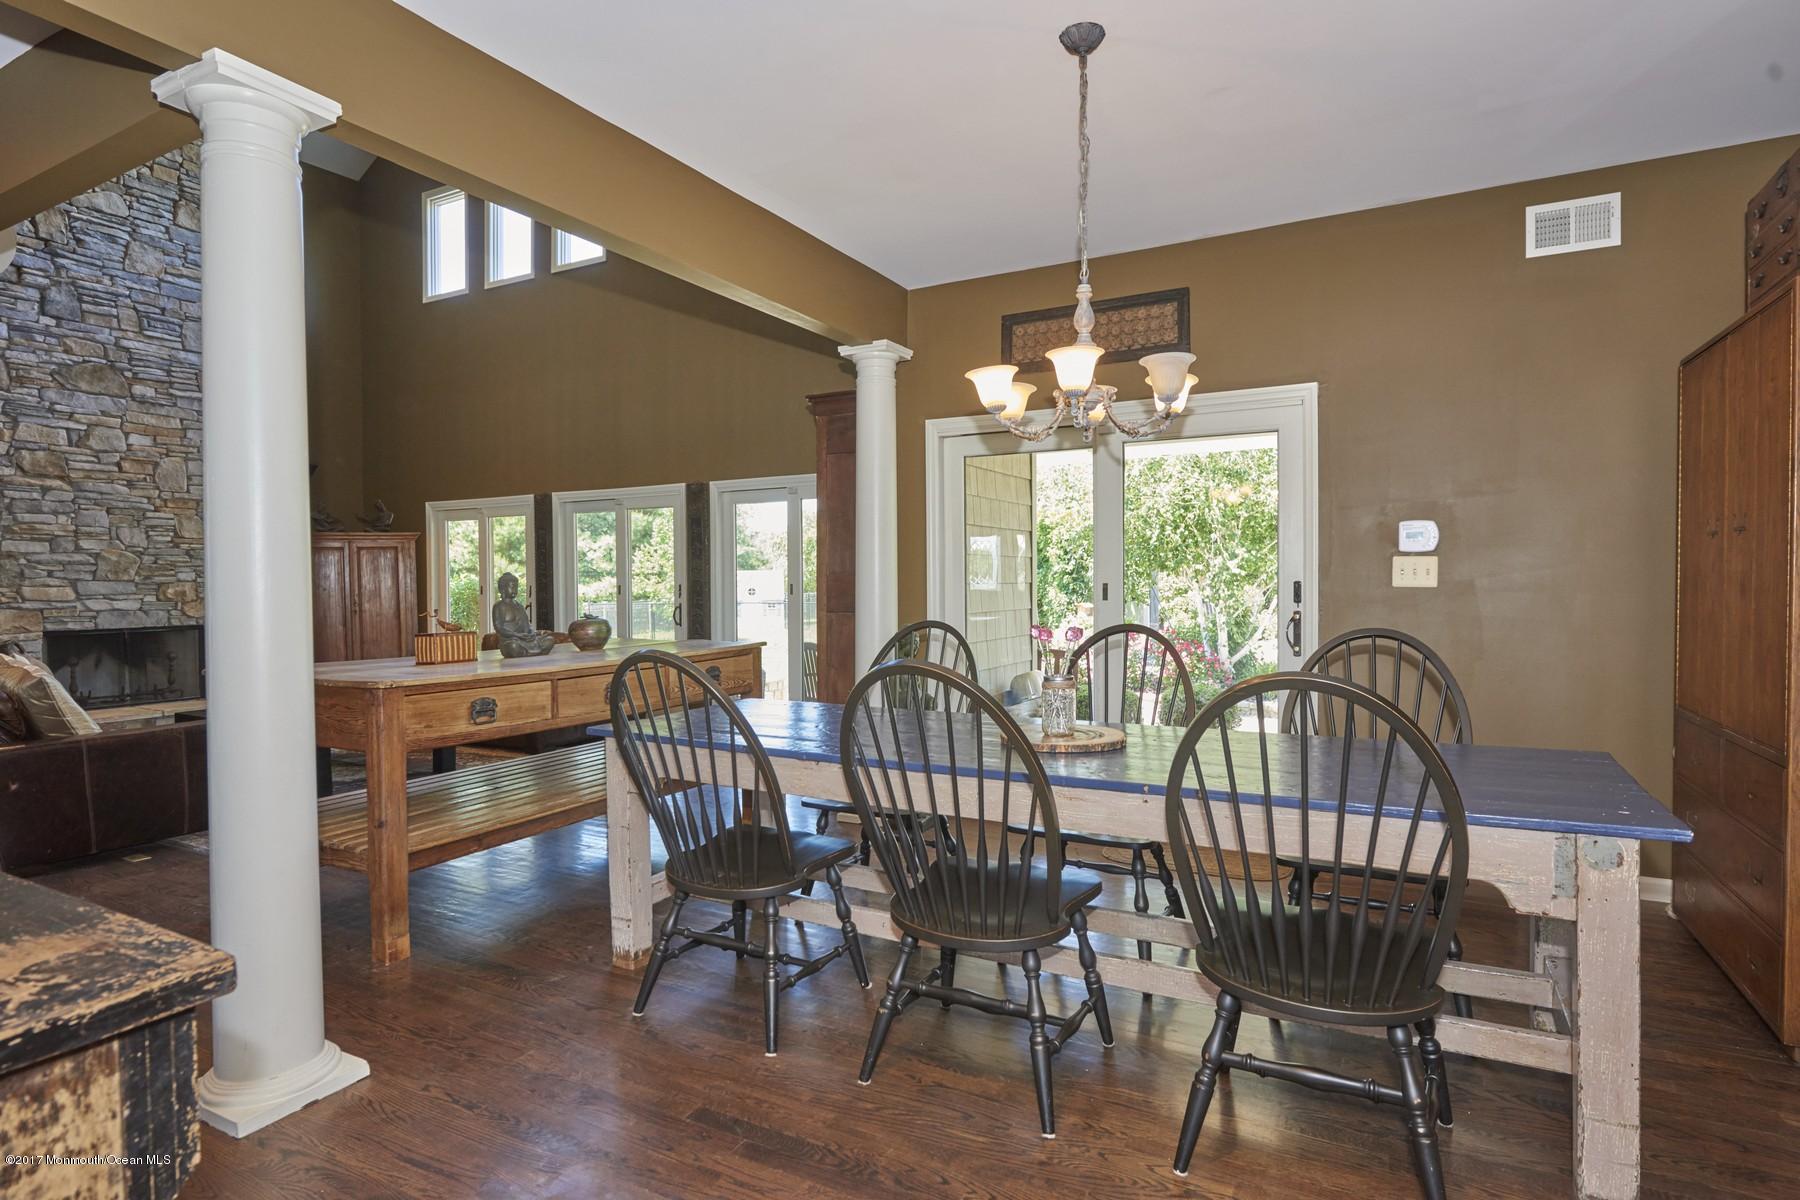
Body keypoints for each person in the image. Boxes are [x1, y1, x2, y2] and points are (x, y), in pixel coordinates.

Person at [492, 572, 555, 657]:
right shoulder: (499, 606)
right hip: (512, 640)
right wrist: (517, 635)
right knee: (513, 647)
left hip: (526, 640)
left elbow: (527, 625)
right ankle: (533, 652)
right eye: (512, 587)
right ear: (502, 589)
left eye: (516, 587)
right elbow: (499, 629)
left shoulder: (519, 606)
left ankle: (528, 652)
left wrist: (531, 633)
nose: (515, 590)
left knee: (549, 640)